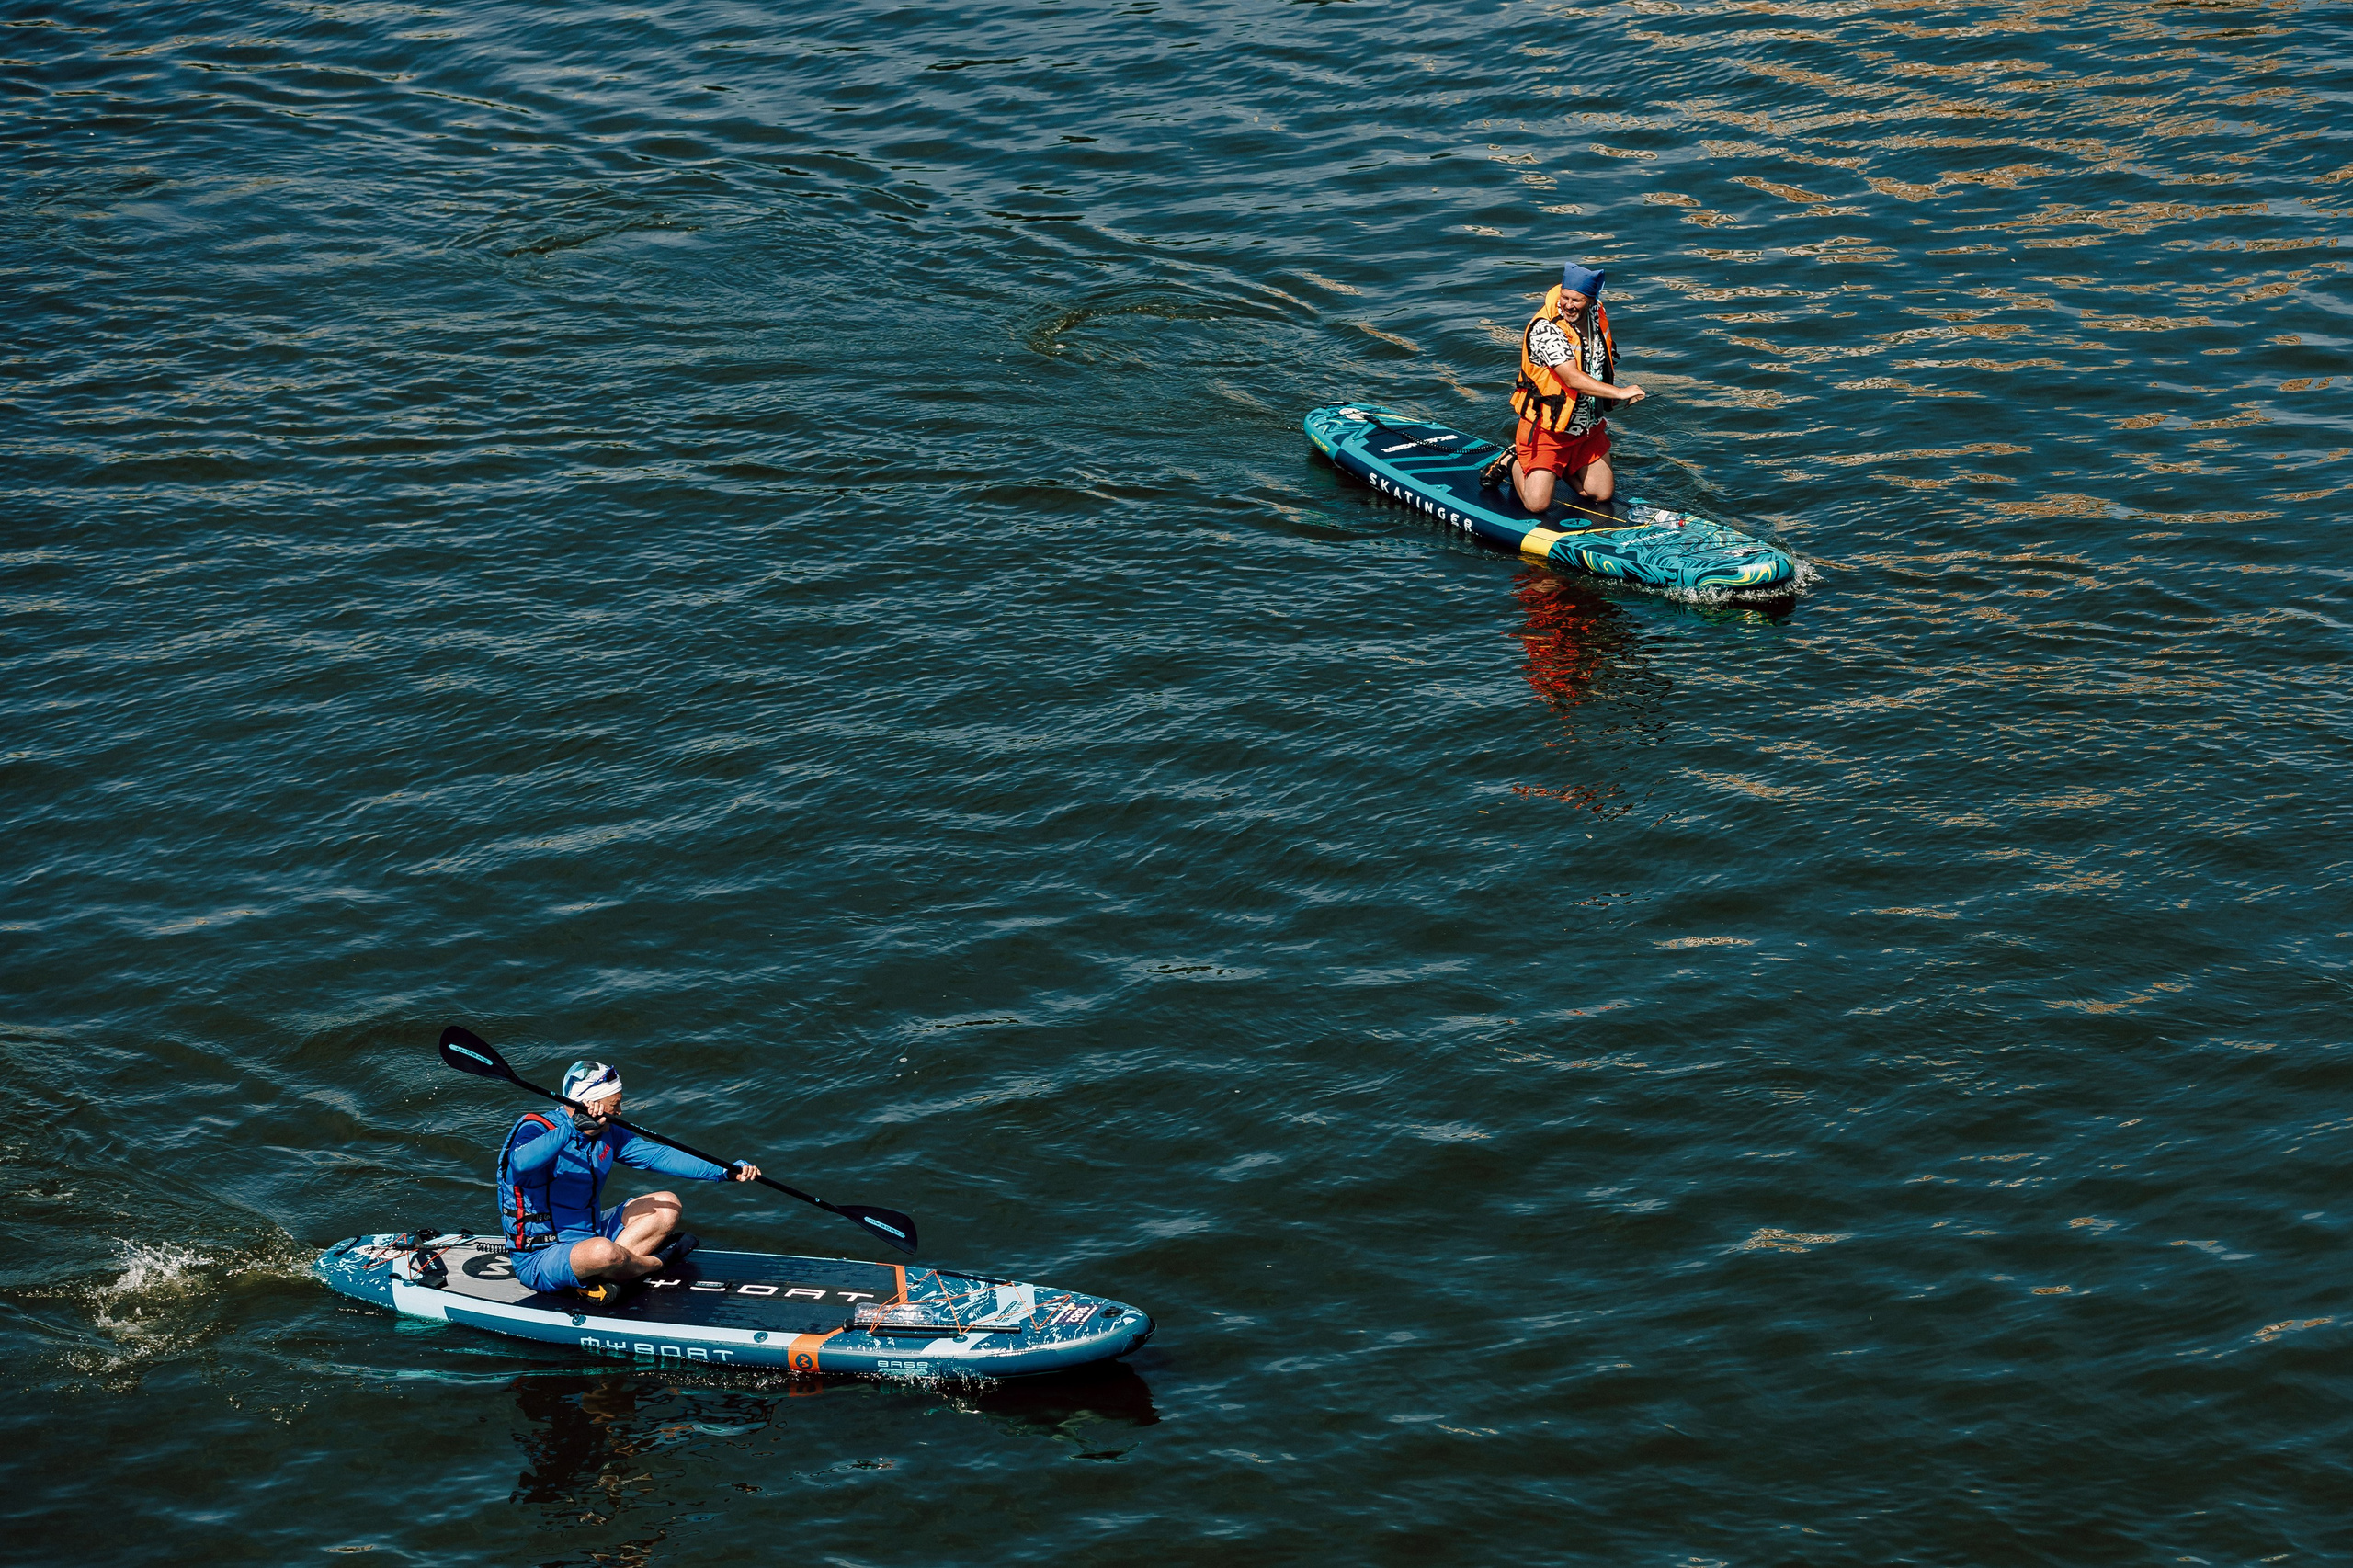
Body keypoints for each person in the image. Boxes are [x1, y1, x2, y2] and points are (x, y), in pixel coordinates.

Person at [494, 1059, 761, 1302]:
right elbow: (520, 1163)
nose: (620, 1111)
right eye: (615, 1104)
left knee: (668, 1205)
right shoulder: (534, 1127)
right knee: (603, 1252)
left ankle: (610, 1274)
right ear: (592, 1105)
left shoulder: (608, 1133)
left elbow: (661, 1156)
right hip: (541, 1255)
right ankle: (654, 1263)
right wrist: (571, 1128)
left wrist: (725, 1171)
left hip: (592, 1232)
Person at [1482, 261, 1647, 513]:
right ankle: (1513, 461)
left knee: (1600, 494)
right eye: (1565, 297)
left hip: (1585, 428)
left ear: (1591, 300)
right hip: (1548, 429)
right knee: (1537, 505)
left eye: (1577, 300)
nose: (1568, 305)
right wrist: (1620, 392)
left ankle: (1559, 467)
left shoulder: (1596, 315)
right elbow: (1571, 378)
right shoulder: (1545, 328)